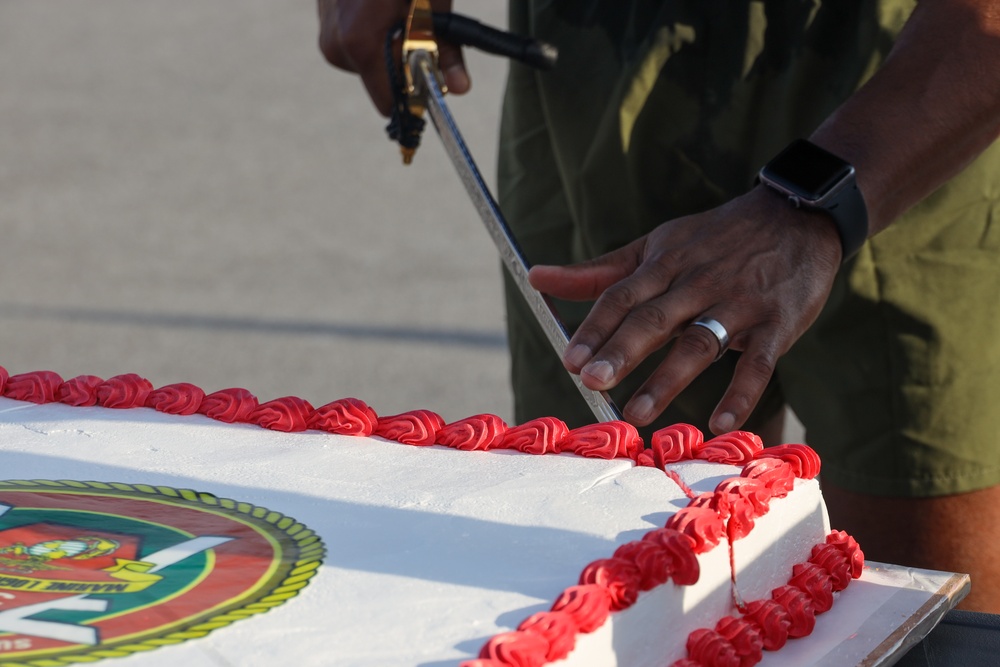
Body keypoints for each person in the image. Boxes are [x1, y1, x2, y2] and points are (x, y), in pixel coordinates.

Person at [319, 0, 1000, 612]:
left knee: (923, 602)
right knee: (607, 567)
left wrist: (812, 203)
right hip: (597, 49)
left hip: (902, 70)